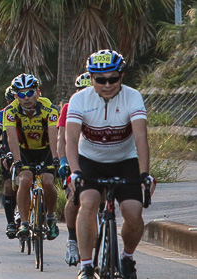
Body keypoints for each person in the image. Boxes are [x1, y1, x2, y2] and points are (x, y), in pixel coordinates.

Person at [66, 50, 155, 279]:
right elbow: (71, 141)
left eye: (113, 79)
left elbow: (140, 138)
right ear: (91, 78)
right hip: (90, 161)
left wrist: (145, 174)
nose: (107, 85)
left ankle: (127, 258)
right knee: (88, 202)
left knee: (133, 212)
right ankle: (86, 266)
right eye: (100, 79)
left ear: (121, 77)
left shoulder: (132, 96)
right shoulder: (79, 99)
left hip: (125, 161)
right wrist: (75, 172)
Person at [4, 73, 60, 241]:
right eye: (21, 94)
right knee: (25, 180)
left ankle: (50, 216)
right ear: (15, 96)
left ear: (38, 92)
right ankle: (25, 223)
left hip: (46, 150)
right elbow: (11, 138)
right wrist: (17, 161)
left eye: (30, 93)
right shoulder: (10, 111)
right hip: (24, 151)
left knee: (48, 181)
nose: (26, 98)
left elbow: (53, 135)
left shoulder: (50, 109)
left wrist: (56, 158)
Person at [59, 72, 91, 266]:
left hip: (98, 158)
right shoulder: (69, 108)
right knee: (75, 197)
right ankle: (72, 240)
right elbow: (62, 139)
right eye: (81, 90)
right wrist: (63, 161)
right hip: (75, 158)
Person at [0, 86, 17, 238]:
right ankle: (11, 222)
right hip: (8, 151)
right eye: (11, 99)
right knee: (8, 186)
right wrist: (0, 153)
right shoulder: (2, 114)